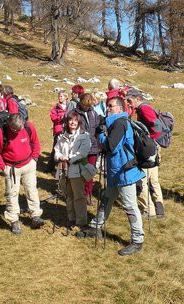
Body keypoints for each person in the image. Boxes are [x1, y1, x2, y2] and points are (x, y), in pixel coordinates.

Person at [77, 97, 145, 256]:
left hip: (125, 172)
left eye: (110, 106)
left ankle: (137, 240)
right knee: (106, 200)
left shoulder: (120, 123)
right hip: (116, 171)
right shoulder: (115, 123)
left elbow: (110, 146)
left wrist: (100, 134)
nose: (107, 108)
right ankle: (95, 227)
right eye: (107, 105)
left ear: (120, 109)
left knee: (129, 206)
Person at [0, 114, 44, 234]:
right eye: (14, 129)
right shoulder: (0, 133)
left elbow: (35, 142)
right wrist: (4, 168)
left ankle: (35, 216)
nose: (17, 131)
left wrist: (35, 158)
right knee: (12, 194)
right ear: (9, 125)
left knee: (32, 191)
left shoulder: (28, 127)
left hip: (29, 164)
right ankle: (14, 220)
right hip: (11, 168)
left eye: (19, 129)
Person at [125, 89, 165, 217]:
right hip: (153, 147)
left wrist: (148, 141)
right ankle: (159, 209)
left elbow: (157, 127)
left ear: (137, 98)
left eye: (130, 101)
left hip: (148, 149)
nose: (129, 104)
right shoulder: (146, 107)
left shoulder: (144, 109)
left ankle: (148, 211)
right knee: (153, 179)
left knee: (142, 179)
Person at [54, 110, 91, 229]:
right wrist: (59, 157)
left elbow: (83, 153)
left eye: (75, 120)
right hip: (65, 170)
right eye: (70, 120)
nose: (72, 122)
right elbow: (57, 150)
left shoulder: (84, 136)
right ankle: (71, 218)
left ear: (79, 122)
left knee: (79, 196)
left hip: (77, 170)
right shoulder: (62, 136)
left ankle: (81, 221)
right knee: (68, 196)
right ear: (67, 122)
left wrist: (69, 158)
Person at [73, 93, 100, 205]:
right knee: (79, 173)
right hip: (79, 147)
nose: (86, 107)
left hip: (93, 147)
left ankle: (87, 194)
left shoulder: (94, 113)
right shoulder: (74, 113)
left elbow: (98, 128)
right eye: (85, 105)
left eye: (88, 106)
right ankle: (79, 194)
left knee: (90, 172)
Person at [47, 90, 68, 172]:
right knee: (56, 148)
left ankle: (64, 167)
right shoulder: (56, 107)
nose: (59, 98)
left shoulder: (69, 106)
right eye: (59, 96)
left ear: (66, 97)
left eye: (61, 96)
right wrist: (60, 118)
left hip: (67, 130)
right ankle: (50, 167)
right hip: (59, 130)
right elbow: (52, 117)